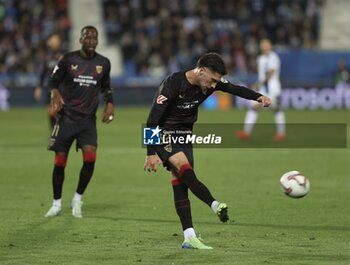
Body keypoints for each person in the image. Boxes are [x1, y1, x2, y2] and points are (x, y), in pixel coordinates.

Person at [143, 53, 271, 249]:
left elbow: (233, 88)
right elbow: (152, 119)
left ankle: (189, 237)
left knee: (181, 183)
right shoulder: (173, 84)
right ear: (201, 70)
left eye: (216, 82)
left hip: (185, 134)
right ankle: (214, 204)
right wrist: (151, 153)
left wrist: (258, 97)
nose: (213, 86)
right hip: (163, 132)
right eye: (211, 80)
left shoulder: (212, 81)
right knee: (184, 168)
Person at [45, 25, 114, 218]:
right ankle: (56, 203)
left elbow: (107, 87)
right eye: (88, 38)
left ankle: (77, 198)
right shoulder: (68, 59)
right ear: (81, 40)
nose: (92, 41)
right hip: (66, 117)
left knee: (90, 158)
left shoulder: (104, 63)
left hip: (87, 121)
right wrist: (55, 91)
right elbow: (52, 81)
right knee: (60, 162)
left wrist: (110, 104)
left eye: (95, 38)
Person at [236, 38, 286, 141]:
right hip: (264, 88)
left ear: (270, 45)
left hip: (272, 88)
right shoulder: (261, 58)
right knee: (256, 107)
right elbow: (260, 73)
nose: (263, 46)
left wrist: (258, 84)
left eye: (266, 44)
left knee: (276, 109)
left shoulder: (273, 57)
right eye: (262, 44)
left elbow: (270, 73)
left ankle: (281, 134)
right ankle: (246, 133)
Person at [34, 33, 64, 129]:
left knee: (60, 113)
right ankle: (54, 134)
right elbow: (43, 73)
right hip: (50, 89)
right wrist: (39, 87)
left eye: (56, 40)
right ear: (49, 42)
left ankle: (60, 134)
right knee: (51, 112)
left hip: (62, 89)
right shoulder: (47, 57)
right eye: (52, 40)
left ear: (60, 42)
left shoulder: (64, 56)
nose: (54, 42)